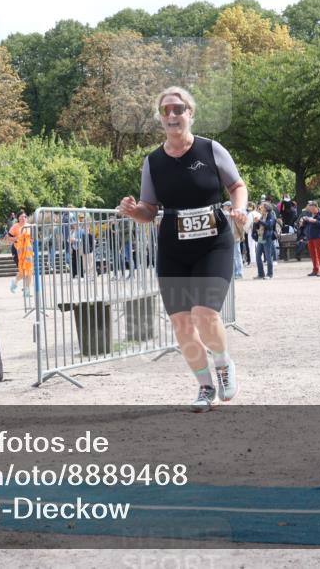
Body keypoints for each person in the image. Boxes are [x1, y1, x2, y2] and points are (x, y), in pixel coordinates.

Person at [117, 86, 248, 412]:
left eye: (178, 109)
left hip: (213, 243)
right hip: (173, 248)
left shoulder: (210, 149)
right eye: (166, 110)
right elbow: (149, 210)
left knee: (205, 314)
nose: (172, 115)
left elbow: (236, 185)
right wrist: (134, 212)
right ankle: (205, 387)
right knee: (181, 324)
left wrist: (239, 209)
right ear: (161, 118)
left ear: (190, 113)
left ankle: (223, 363)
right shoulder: (153, 162)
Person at [301, 201, 320, 276]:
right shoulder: (310, 214)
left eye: (312, 209)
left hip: (318, 236)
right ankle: (315, 270)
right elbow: (306, 225)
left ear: (316, 207)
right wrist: (304, 221)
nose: (311, 210)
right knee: (313, 254)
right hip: (310, 237)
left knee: (319, 254)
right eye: (310, 209)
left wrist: (315, 221)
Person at [9, 216, 34, 295]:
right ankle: (14, 282)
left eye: (25, 217)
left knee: (29, 270)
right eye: (21, 217)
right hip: (18, 250)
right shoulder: (15, 226)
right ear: (18, 219)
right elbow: (8, 238)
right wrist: (18, 238)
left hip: (27, 250)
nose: (23, 218)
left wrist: (31, 240)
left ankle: (27, 290)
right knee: (23, 271)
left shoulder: (30, 226)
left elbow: (33, 238)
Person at [254, 202, 277, 279]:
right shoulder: (262, 216)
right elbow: (259, 225)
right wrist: (256, 222)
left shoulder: (271, 216)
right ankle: (261, 274)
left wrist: (259, 221)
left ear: (266, 208)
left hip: (267, 237)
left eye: (262, 207)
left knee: (268, 256)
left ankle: (270, 274)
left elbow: (269, 226)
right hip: (261, 237)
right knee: (258, 255)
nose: (260, 208)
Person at [223, 202, 243, 279]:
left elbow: (240, 227)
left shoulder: (234, 214)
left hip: (235, 237)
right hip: (230, 238)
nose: (223, 207)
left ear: (229, 207)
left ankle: (239, 273)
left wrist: (241, 236)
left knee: (237, 255)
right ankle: (235, 272)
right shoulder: (226, 215)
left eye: (225, 206)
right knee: (233, 256)